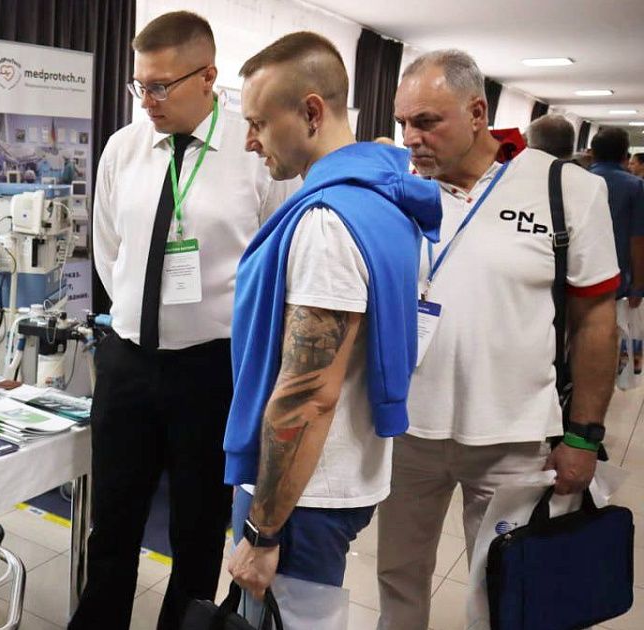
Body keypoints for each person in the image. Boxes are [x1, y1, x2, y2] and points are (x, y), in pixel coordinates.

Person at [378, 50, 619, 629]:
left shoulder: (565, 188)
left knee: (505, 590)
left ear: (477, 112)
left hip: (512, 435)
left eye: (427, 121)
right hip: (406, 430)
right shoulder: (396, 187)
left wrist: (584, 437)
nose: (411, 138)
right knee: (398, 576)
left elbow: (595, 321)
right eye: (404, 122)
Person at [73, 11, 290, 629]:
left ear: (208, 78)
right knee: (113, 521)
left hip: (210, 370)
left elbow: (272, 264)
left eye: (161, 86)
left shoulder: (254, 153)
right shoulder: (124, 147)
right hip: (128, 362)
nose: (147, 100)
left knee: (196, 530)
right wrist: (143, 318)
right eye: (140, 85)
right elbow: (110, 250)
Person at [223, 31, 440, 624]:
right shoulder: (385, 191)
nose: (249, 140)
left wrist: (262, 532)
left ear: (312, 112)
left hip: (305, 495)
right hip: (345, 473)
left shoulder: (326, 223)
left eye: (258, 123)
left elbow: (308, 396)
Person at [589, 127, 644, 303]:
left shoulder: (576, 180)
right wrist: (638, 285)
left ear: (592, 153)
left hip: (577, 271)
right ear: (624, 155)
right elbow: (638, 239)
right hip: (617, 274)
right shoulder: (636, 186)